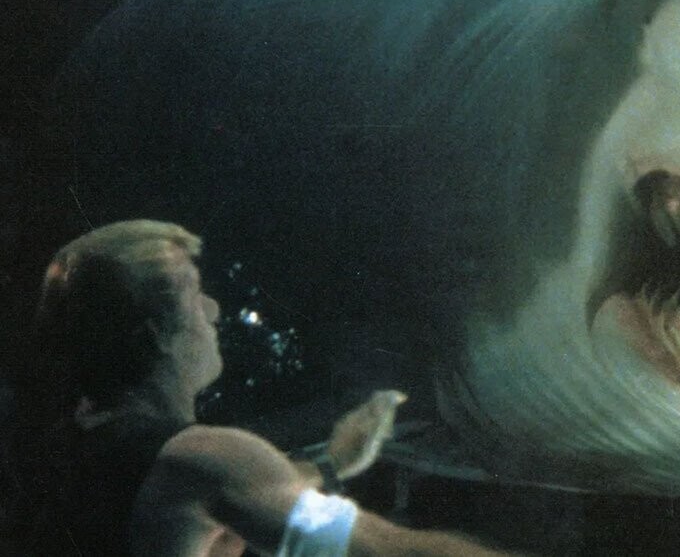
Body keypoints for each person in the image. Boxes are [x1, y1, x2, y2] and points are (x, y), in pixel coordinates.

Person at [5, 219, 509, 556]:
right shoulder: (202, 458)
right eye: (194, 293)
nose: (213, 310)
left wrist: (332, 463)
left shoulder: (70, 449)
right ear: (156, 333)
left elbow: (221, 492)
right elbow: (386, 551)